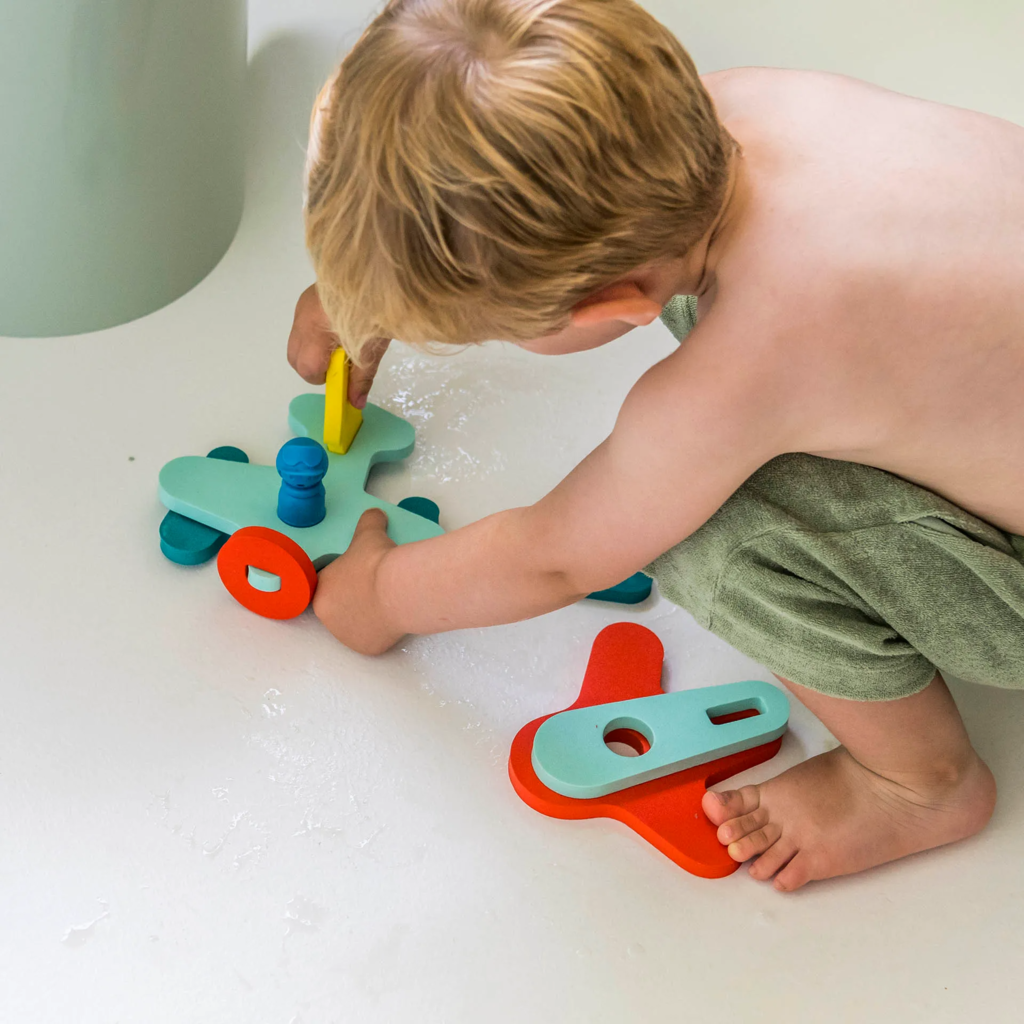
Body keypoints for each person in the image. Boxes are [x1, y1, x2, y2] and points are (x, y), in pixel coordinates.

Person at [285, 0, 1024, 891]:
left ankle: (921, 784)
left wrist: (380, 595)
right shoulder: (734, 111)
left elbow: (558, 556)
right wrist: (372, 285)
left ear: (611, 305)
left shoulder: (762, 354)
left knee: (707, 533)